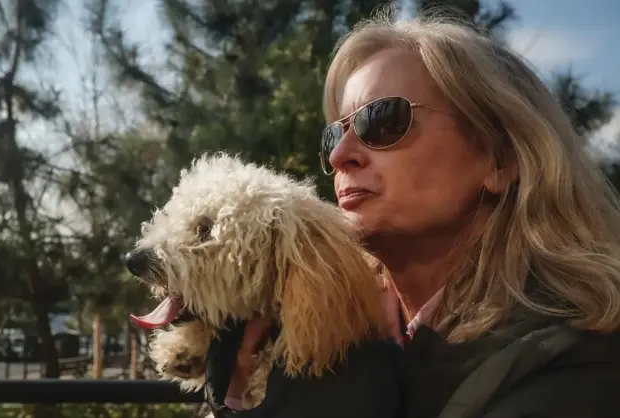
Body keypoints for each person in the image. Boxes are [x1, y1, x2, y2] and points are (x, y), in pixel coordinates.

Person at [215, 8, 620, 418]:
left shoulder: (574, 359)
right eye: (334, 134)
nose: (340, 156)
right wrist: (235, 398)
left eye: (383, 120)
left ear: (500, 158)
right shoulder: (322, 339)